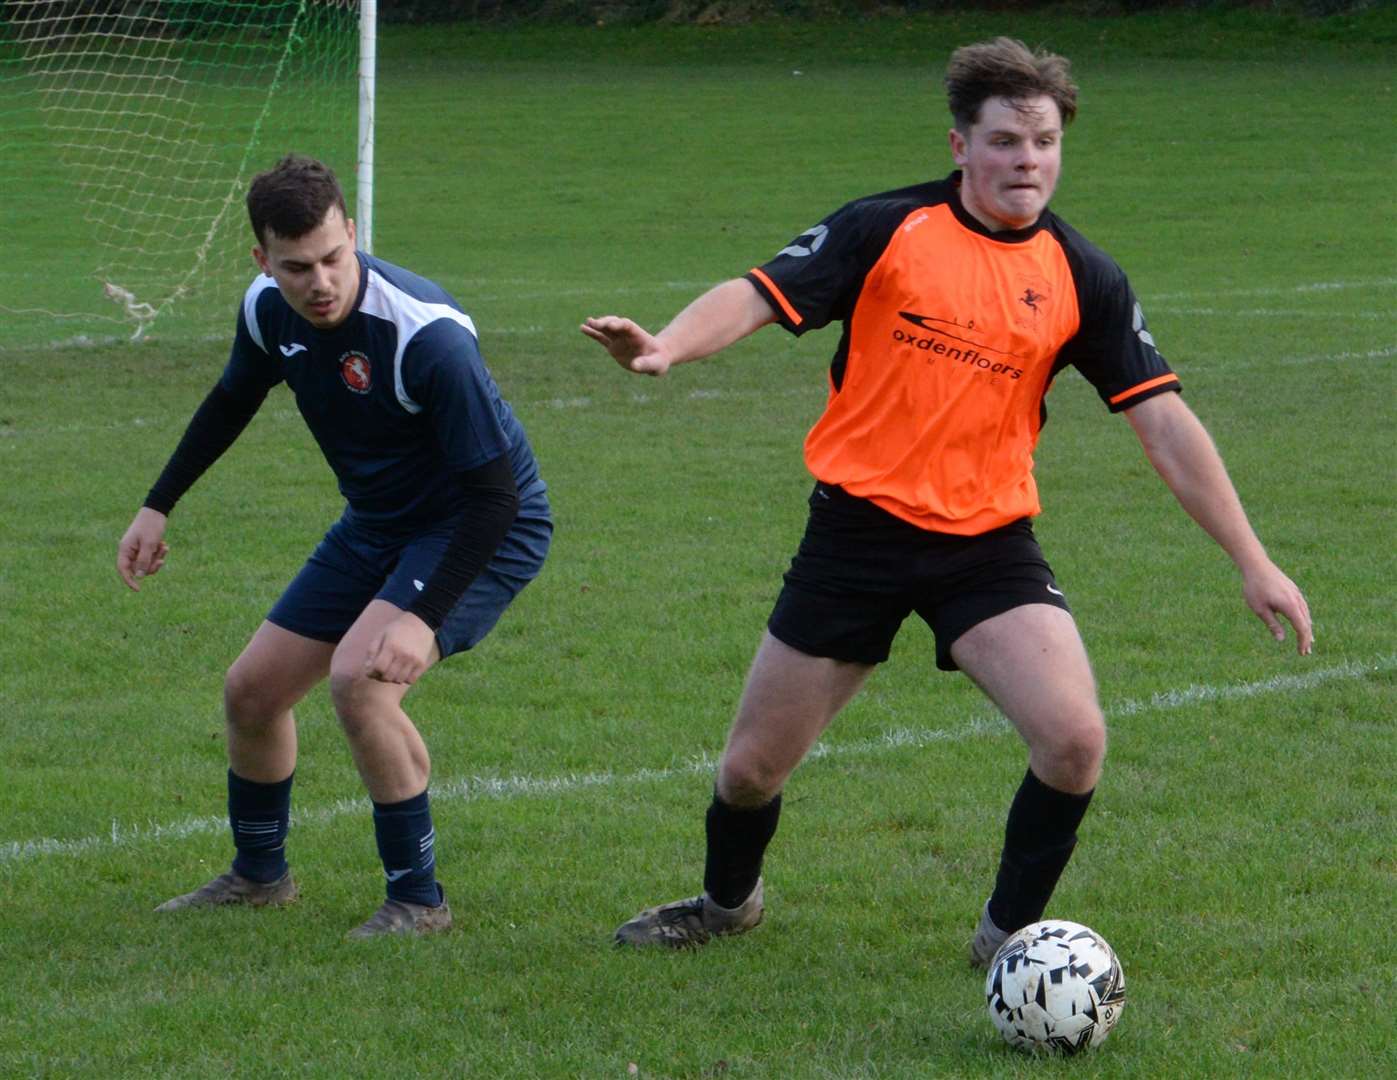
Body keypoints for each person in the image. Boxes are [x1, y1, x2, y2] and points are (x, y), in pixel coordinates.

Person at [581, 37, 1311, 962]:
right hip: (857, 533)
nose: (1028, 162)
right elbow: (759, 294)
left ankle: (1009, 946)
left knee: (1073, 739)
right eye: (1005, 141)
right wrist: (667, 347)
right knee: (750, 770)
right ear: (960, 145)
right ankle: (728, 906)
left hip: (986, 543)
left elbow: (1164, 423)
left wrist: (1252, 560)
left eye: (1043, 142)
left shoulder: (1082, 274)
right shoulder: (888, 228)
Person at [117, 154, 551, 938]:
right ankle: (258, 878)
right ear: (262, 261)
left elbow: (497, 499)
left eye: (332, 258)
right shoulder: (265, 308)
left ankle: (418, 901)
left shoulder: (429, 337)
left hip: (479, 525)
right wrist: (157, 505)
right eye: (295, 267)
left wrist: (422, 620)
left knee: (360, 681)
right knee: (251, 692)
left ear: (352, 234)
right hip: (379, 521)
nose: (318, 282)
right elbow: (229, 402)